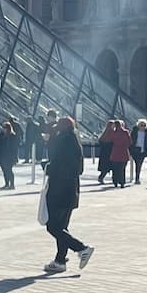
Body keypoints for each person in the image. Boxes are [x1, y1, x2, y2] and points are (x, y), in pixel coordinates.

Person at [43, 117, 95, 274]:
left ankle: (81, 248)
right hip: (71, 189)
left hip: (60, 189)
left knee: (52, 226)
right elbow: (78, 168)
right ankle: (59, 261)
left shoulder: (63, 140)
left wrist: (47, 166)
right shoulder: (75, 140)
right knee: (62, 227)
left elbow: (57, 163)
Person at [0, 117, 20, 189]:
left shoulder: (12, 136)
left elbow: (14, 148)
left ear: (8, 128)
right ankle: (6, 184)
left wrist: (15, 157)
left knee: (9, 170)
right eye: (2, 127)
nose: (3, 129)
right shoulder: (1, 135)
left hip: (9, 156)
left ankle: (12, 184)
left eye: (4, 128)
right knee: (4, 170)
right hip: (2, 156)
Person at [107, 119, 132, 188]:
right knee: (122, 168)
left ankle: (115, 181)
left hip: (115, 152)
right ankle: (122, 182)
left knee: (115, 168)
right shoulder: (125, 132)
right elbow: (129, 142)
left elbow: (110, 140)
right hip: (124, 152)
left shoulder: (113, 132)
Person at [130, 118, 147, 184]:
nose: (143, 127)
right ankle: (137, 178)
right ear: (138, 125)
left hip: (143, 150)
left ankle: (137, 178)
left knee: (139, 165)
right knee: (137, 163)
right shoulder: (134, 131)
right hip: (136, 150)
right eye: (141, 125)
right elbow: (131, 140)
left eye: (144, 125)